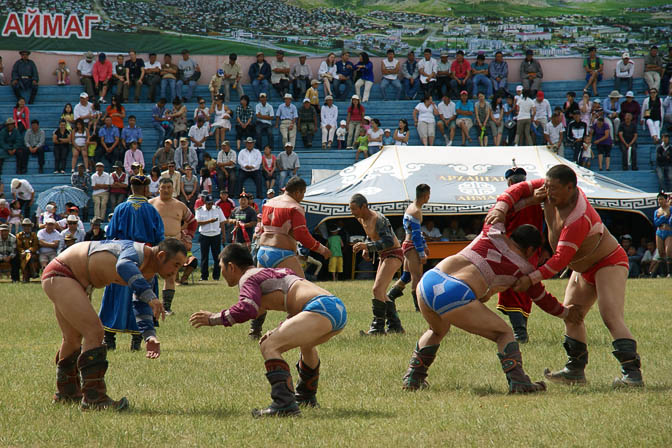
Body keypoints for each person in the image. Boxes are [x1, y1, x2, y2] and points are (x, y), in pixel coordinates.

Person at [485, 164, 644, 388]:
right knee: (572, 315)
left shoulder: (579, 217)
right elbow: (518, 189)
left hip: (608, 261)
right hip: (582, 267)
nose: (548, 192)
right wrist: (501, 208)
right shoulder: (550, 187)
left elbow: (559, 260)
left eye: (554, 189)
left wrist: (530, 279)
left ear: (570, 187)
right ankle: (575, 370)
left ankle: (633, 374)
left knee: (610, 316)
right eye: (546, 187)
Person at [401, 220, 579, 393]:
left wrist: (520, 199)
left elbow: (504, 202)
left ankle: (413, 378)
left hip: (428, 282)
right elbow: (542, 298)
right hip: (455, 293)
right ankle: (518, 382)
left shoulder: (491, 231)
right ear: (531, 249)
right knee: (504, 333)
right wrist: (565, 313)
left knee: (437, 330)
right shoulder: (524, 270)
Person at [189, 242, 346, 417]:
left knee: (268, 346)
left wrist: (213, 318)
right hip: (334, 307)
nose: (221, 272)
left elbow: (247, 308)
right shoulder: (272, 272)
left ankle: (284, 404)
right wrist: (278, 329)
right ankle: (306, 397)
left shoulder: (248, 277)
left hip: (319, 308)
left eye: (221, 267)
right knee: (306, 344)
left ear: (231, 266)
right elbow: (292, 303)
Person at [44, 238, 185, 409]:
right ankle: (94, 399)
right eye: (176, 265)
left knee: (72, 338)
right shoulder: (137, 252)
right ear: (161, 256)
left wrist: (149, 336)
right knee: (94, 332)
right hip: (63, 273)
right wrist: (151, 296)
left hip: (70, 278)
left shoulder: (148, 274)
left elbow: (141, 305)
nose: (175, 272)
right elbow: (123, 266)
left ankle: (67, 393)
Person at [249, 176, 332, 338]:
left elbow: (262, 228)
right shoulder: (295, 207)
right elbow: (302, 234)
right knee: (302, 293)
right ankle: (288, 329)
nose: (303, 197)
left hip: (263, 251)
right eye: (303, 193)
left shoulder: (268, 203)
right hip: (282, 253)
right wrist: (322, 249)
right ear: (298, 191)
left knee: (261, 292)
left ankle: (255, 330)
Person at [349, 193, 404, 335]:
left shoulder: (378, 219)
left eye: (354, 209)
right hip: (383, 255)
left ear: (364, 206)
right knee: (381, 293)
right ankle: (395, 327)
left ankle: (377, 329)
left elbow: (389, 241)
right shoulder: (361, 219)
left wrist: (367, 247)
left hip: (394, 253)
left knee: (377, 290)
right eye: (351, 209)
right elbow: (371, 236)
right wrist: (366, 248)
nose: (352, 212)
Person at [149, 178, 197, 315]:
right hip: (155, 244)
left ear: (173, 188)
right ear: (158, 188)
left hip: (174, 244)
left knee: (171, 275)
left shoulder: (180, 205)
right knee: (149, 274)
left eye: (169, 187)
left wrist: (188, 237)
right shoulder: (150, 204)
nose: (166, 190)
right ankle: (150, 304)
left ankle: (167, 307)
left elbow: (193, 222)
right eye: (163, 187)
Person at [387, 184, 431, 315]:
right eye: (429, 195)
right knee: (416, 276)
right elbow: (416, 235)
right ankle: (418, 307)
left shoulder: (411, 207)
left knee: (406, 276)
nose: (429, 197)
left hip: (407, 243)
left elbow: (415, 232)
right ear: (425, 195)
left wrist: (425, 245)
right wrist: (422, 252)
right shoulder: (416, 211)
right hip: (412, 245)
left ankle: (390, 297)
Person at [196, 194, 226, 281]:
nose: (210, 205)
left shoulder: (217, 209)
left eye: (211, 203)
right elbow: (198, 222)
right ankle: (204, 276)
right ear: (205, 203)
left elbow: (222, 222)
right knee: (204, 257)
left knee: (217, 257)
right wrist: (209, 221)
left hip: (216, 235)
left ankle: (216, 276)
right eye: (208, 203)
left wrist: (223, 235)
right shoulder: (200, 210)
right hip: (204, 235)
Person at [653, 192, 672, 277]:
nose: (660, 201)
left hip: (668, 232)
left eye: (661, 199)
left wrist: (665, 217)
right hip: (659, 232)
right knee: (661, 252)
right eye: (659, 199)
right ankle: (662, 273)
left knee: (668, 251)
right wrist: (664, 216)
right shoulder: (657, 211)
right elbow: (656, 223)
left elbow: (670, 221)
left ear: (666, 200)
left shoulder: (670, 209)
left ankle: (669, 273)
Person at [16, 218, 39, 282]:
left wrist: (28, 251)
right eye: (25, 226)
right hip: (21, 253)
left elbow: (35, 246)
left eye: (28, 226)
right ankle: (33, 272)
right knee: (26, 258)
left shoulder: (34, 235)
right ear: (22, 227)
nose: (27, 227)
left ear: (31, 227)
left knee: (29, 257)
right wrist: (23, 252)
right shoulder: (19, 235)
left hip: (32, 253)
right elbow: (18, 246)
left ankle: (26, 277)